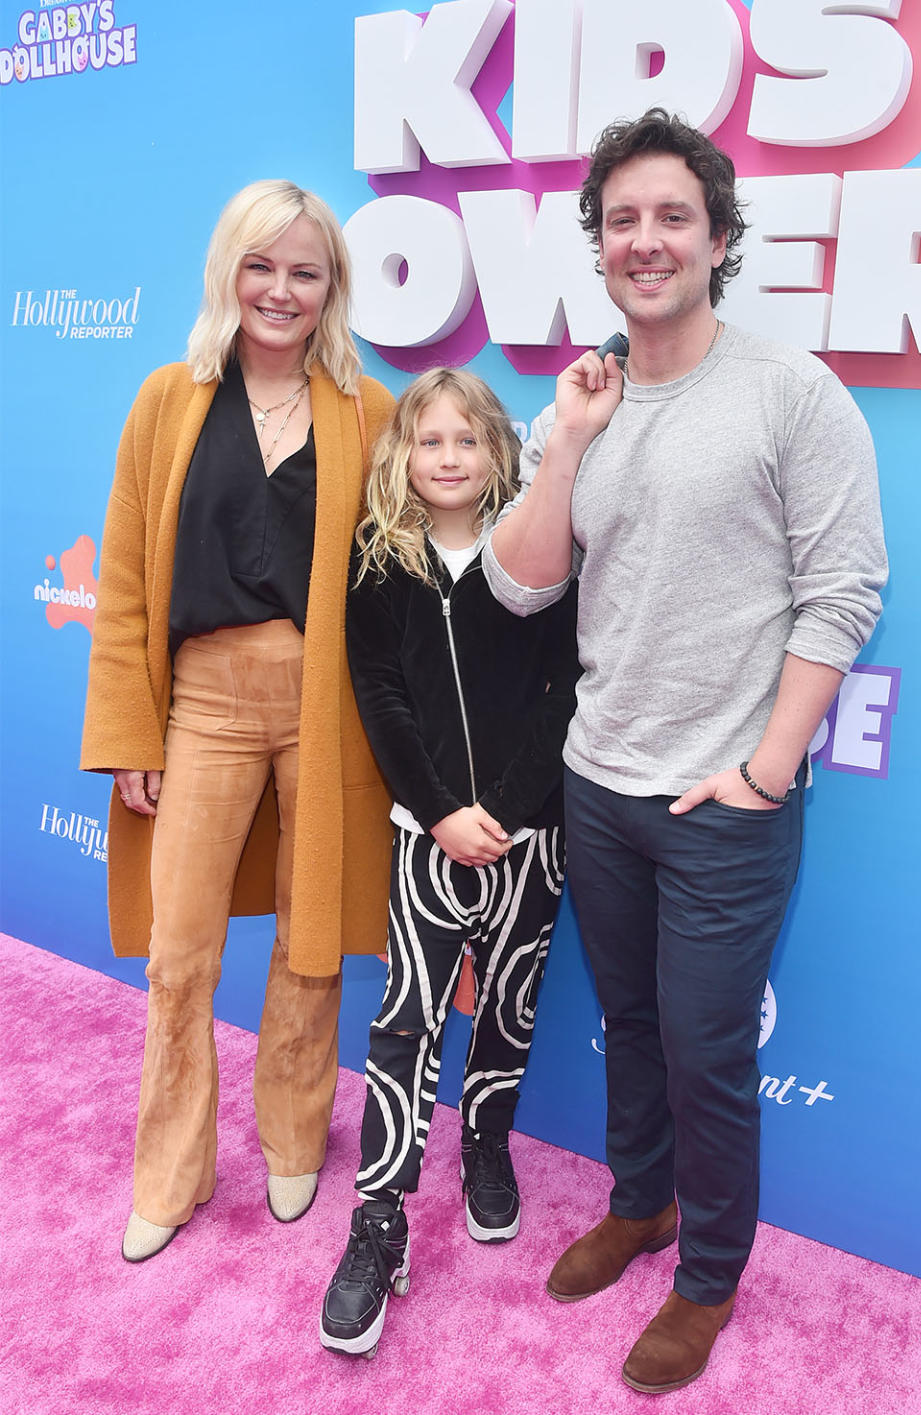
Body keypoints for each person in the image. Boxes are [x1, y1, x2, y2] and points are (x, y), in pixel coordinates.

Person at [483, 109, 887, 1394]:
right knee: (635, 1023)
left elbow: (842, 592)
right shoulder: (588, 397)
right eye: (622, 221)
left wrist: (765, 771)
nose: (646, 241)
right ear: (596, 247)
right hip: (600, 782)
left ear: (719, 239)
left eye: (673, 218)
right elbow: (526, 586)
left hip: (725, 797)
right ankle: (640, 1201)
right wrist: (566, 444)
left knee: (709, 1047)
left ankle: (708, 1272)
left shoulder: (788, 388)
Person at [80, 180, 395, 1263]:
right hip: (201, 706)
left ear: (331, 288)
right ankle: (169, 1171)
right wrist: (128, 731)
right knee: (179, 953)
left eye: (305, 271)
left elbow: (403, 582)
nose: (281, 288)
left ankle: (295, 1135)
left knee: (311, 943)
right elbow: (122, 578)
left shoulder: (371, 411)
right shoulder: (169, 399)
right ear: (229, 271)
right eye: (262, 265)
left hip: (328, 707)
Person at [318, 368, 580, 1358]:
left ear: (497, 450)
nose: (449, 459)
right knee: (405, 1021)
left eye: (467, 441)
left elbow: (567, 683)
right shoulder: (379, 558)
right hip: (424, 833)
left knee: (508, 1007)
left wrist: (504, 810)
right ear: (405, 455)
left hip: (528, 834)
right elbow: (378, 691)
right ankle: (378, 1217)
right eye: (430, 442)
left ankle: (485, 1141)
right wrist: (439, 812)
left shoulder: (540, 551)